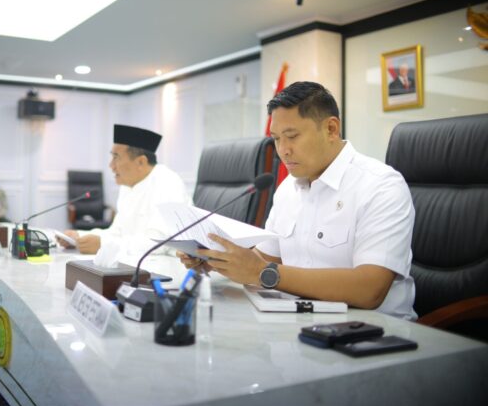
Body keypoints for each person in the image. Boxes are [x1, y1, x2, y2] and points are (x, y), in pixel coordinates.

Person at [180, 81, 416, 320]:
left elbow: (370, 290)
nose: (283, 150)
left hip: (370, 330)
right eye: (276, 139)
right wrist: (216, 260)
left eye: (292, 136)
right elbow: (265, 260)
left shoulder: (380, 186)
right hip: (296, 321)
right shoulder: (287, 189)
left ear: (331, 129)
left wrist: (263, 272)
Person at [57, 124, 191, 265]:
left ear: (140, 162)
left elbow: (158, 243)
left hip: (173, 266)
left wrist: (103, 244)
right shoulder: (128, 186)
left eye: (116, 158)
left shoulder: (167, 182)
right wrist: (79, 237)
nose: (111, 166)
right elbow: (117, 233)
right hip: (138, 262)